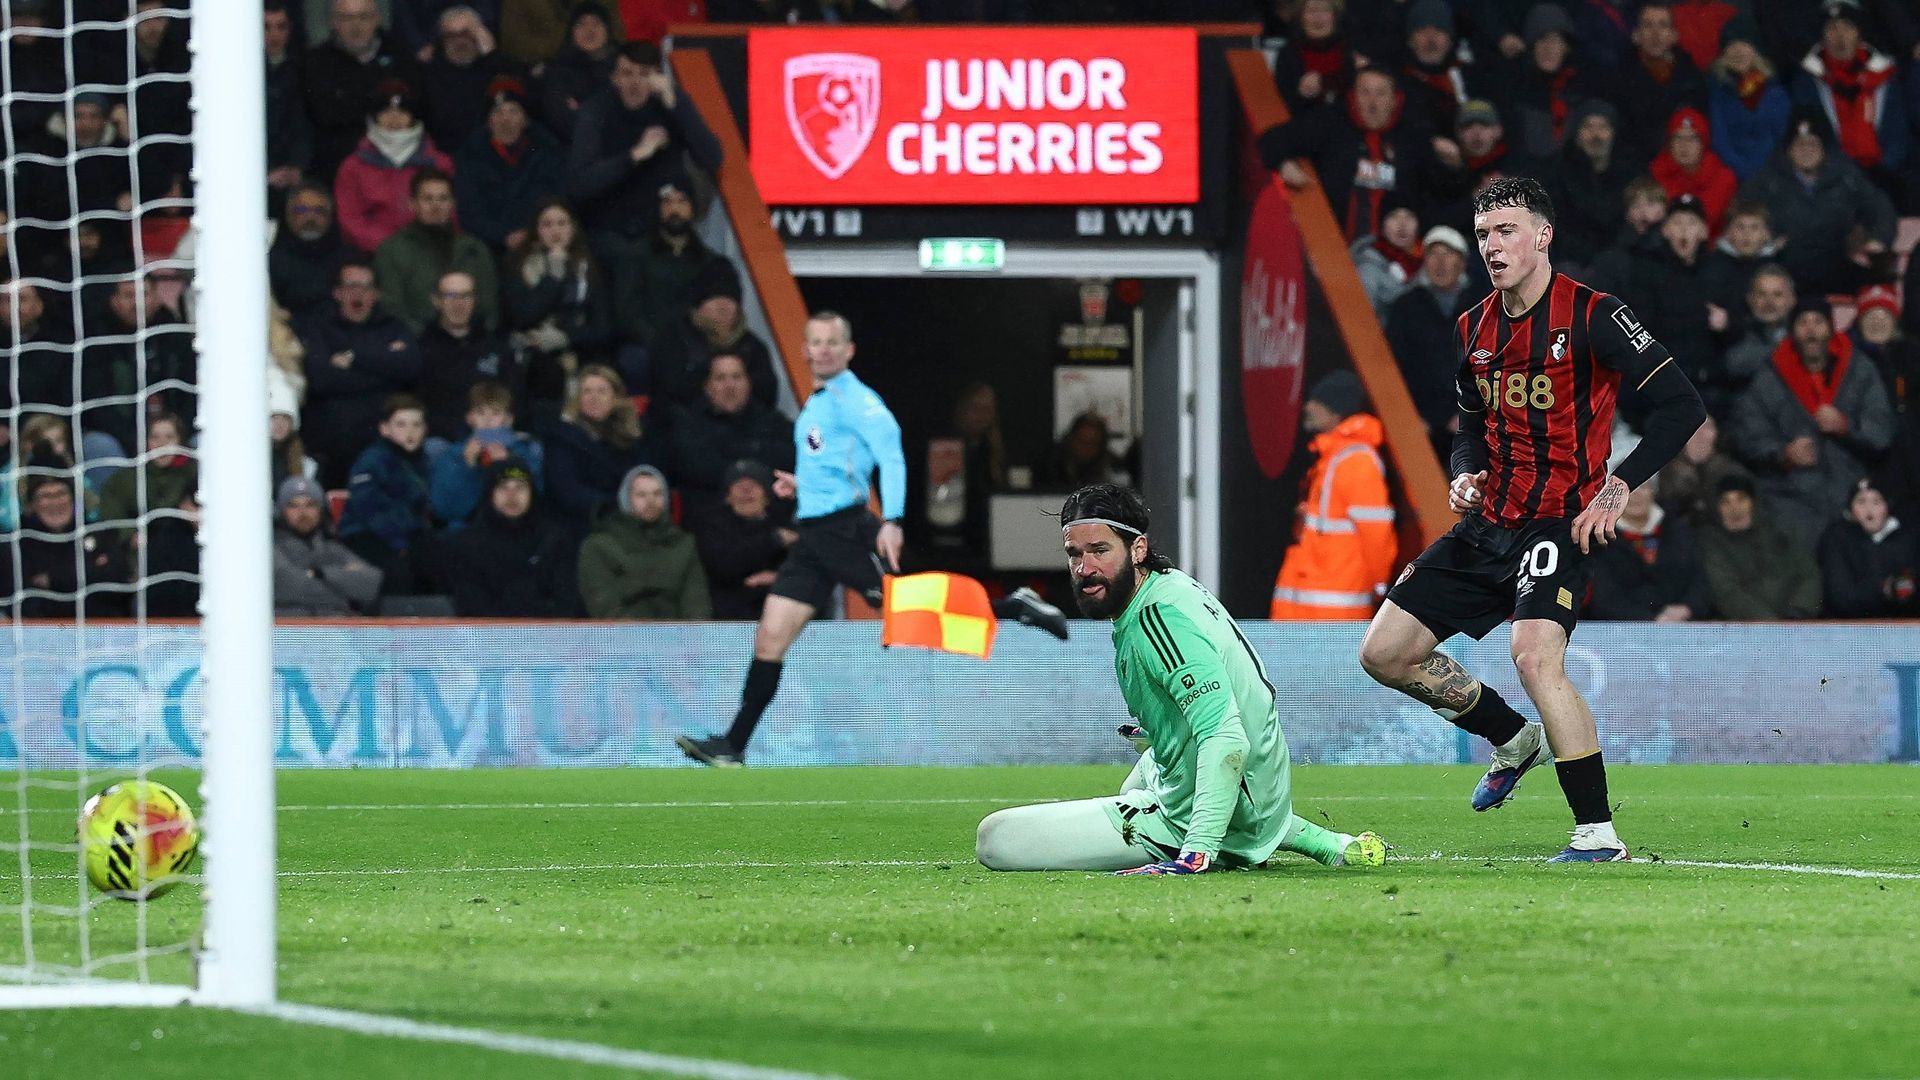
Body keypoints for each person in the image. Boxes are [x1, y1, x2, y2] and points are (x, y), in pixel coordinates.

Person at [1357, 177, 1708, 863]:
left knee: (1533, 654)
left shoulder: (1595, 315)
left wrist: (1620, 485)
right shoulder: (1472, 327)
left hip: (1557, 522)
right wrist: (1463, 469)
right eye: (1485, 233)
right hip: (1488, 522)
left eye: (1507, 230)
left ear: (1543, 236)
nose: (1492, 245)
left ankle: (1598, 833)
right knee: (1383, 653)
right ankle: (1513, 739)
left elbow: (1682, 406)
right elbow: (1469, 423)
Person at [676, 311, 1067, 766]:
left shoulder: (857, 400)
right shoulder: (819, 402)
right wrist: (802, 486)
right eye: (816, 342)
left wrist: (892, 519)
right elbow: (840, 465)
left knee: (904, 608)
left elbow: (891, 455)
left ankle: (1014, 606)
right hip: (813, 537)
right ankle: (733, 745)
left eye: (831, 342)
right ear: (804, 350)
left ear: (848, 351)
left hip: (845, 530)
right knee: (770, 638)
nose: (822, 349)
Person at [974, 483, 1389, 874]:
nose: (1084, 568)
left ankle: (1211, 840)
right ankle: (1322, 842)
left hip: (1227, 797)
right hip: (1259, 789)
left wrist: (1196, 853)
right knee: (1141, 777)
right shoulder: (1168, 587)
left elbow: (1226, 739)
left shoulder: (1160, 619)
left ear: (1137, 549)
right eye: (1074, 554)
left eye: (1099, 550)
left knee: (994, 839)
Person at [1730, 295, 1895, 547]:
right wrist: (1783, 454)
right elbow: (1747, 436)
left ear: (1831, 327)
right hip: (1791, 502)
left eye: (1818, 322)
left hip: (1852, 497)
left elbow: (1882, 431)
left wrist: (1846, 426)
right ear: (1792, 330)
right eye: (1803, 323)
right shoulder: (1769, 377)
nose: (1810, 331)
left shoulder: (1860, 370)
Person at [566, 41, 722, 246]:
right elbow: (580, 183)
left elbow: (712, 158)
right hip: (609, 230)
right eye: (627, 73)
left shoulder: (671, 103)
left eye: (645, 74)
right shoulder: (596, 110)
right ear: (614, 78)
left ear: (658, 78)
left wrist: (676, 104)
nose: (635, 82)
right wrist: (634, 155)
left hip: (661, 231)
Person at [1270, 372, 1397, 620]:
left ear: (1336, 411)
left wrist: (1380, 584)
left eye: (1317, 402)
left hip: (1334, 613)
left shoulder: (1356, 461)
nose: (1308, 407)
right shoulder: (1333, 458)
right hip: (1310, 607)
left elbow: (1376, 534)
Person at [297, 258, 422, 486]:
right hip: (333, 442)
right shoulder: (319, 327)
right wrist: (384, 367)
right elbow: (321, 379)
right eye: (351, 286)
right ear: (337, 293)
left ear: (376, 294)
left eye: (366, 287)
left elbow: (410, 367)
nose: (359, 293)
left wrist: (354, 359)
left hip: (385, 439)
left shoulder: (393, 326)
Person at [502, 199, 614, 422]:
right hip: (533, 355)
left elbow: (604, 327)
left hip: (580, 349)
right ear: (536, 230)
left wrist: (566, 338)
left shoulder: (589, 267)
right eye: (547, 224)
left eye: (562, 224)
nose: (556, 231)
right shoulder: (517, 265)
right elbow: (524, 316)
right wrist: (552, 277)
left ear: (573, 228)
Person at [444, 456, 581, 617]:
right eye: (503, 487)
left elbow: (567, 600)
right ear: (490, 494)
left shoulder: (555, 540)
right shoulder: (467, 545)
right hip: (489, 637)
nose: (512, 495)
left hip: (547, 637)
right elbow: (471, 604)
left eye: (520, 487)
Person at [304, 0, 422, 181]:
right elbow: (324, 115)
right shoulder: (316, 63)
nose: (356, 25)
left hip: (397, 162)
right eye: (347, 18)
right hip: (336, 164)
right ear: (334, 22)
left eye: (363, 17)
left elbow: (415, 108)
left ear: (377, 19)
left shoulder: (401, 56)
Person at [333, 80, 455, 255]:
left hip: (431, 251)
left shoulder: (440, 164)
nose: (394, 118)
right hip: (372, 253)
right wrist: (392, 247)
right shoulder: (353, 166)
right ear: (375, 117)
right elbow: (350, 220)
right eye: (386, 111)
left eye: (402, 111)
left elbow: (452, 214)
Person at [372, 168, 499, 333]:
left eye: (443, 198)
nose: (436, 205)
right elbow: (392, 309)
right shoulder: (392, 250)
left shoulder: (474, 249)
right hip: (418, 348)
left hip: (472, 345)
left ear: (453, 204)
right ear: (412, 204)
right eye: (428, 199)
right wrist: (431, 342)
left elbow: (490, 310)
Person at [667, 351, 795, 513]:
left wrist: (733, 449)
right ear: (707, 387)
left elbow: (791, 455)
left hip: (772, 515)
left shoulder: (771, 420)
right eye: (720, 378)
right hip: (711, 518)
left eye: (737, 377)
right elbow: (697, 468)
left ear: (748, 383)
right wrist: (756, 451)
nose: (730, 385)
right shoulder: (690, 424)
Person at [1387, 225, 1477, 455]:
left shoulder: (1484, 306)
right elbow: (1395, 367)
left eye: (1448, 254)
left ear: (1462, 262)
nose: (1440, 262)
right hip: (1420, 422)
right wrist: (1411, 415)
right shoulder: (1405, 307)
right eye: (1433, 255)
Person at [577, 464, 710, 619]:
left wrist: (690, 638)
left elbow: (696, 603)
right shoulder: (598, 546)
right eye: (641, 495)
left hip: (678, 638)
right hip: (622, 639)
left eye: (657, 494)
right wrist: (641, 638)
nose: (650, 501)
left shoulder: (684, 544)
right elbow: (605, 606)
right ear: (626, 499)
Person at [335, 393, 435, 595]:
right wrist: (400, 544)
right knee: (398, 571)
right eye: (401, 424)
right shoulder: (372, 460)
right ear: (384, 429)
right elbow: (369, 509)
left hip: (408, 534)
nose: (410, 432)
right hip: (364, 534)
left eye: (416, 425)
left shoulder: (425, 461)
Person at [452, 76, 566, 253]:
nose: (505, 120)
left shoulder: (548, 152)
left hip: (541, 240)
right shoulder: (470, 156)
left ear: (525, 119)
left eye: (513, 111)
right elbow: (469, 212)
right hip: (488, 246)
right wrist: (504, 236)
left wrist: (531, 234)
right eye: (498, 112)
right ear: (489, 121)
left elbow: (558, 199)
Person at [414, 270, 524, 443]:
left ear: (474, 300)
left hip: (493, 439)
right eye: (450, 296)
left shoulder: (497, 348)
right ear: (436, 301)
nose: (459, 304)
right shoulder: (420, 349)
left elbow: (515, 399)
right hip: (441, 444)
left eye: (466, 296)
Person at [0, 476, 130, 619]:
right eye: (46, 496)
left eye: (61, 493)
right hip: (41, 634)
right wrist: (90, 575)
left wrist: (54, 579)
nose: (55, 502)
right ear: (32, 505)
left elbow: (117, 582)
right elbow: (26, 603)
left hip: (103, 631)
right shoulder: (15, 546)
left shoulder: (101, 534)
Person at [541, 364, 654, 527]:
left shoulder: (633, 435)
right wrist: (615, 506)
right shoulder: (562, 438)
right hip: (583, 524)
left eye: (602, 391)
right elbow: (568, 491)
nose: (594, 398)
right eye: (587, 391)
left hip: (632, 522)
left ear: (616, 397)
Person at [1697, 472, 1822, 618]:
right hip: (1746, 631)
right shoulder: (1710, 543)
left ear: (1753, 503)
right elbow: (1727, 593)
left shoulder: (1778, 533)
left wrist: (1799, 611)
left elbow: (1809, 574)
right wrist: (1770, 625)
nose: (1735, 509)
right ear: (1717, 509)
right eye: (1725, 502)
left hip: (1795, 625)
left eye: (1741, 499)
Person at [1585, 476, 1712, 620]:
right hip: (1623, 633)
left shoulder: (1677, 528)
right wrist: (1652, 621)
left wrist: (1687, 608)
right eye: (1629, 489)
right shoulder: (1599, 538)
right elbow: (1604, 599)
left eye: (1644, 487)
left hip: (1684, 627)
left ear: (1654, 491)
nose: (1636, 494)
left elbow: (1700, 580)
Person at [428, 380, 545, 528]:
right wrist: (468, 466)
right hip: (467, 532)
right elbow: (444, 509)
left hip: (512, 530)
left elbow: (535, 501)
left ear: (508, 420)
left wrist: (509, 464)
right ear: (470, 418)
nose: (488, 420)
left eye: (496, 413)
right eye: (480, 413)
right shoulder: (454, 455)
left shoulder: (523, 453)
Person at [689, 459, 794, 621]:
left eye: (753, 484)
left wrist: (778, 577)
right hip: (729, 621)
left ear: (767, 495)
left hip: (784, 617)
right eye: (738, 485)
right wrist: (774, 540)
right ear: (727, 497)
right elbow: (724, 566)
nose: (746, 490)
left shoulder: (788, 524)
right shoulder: (712, 528)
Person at [272, 475, 384, 616]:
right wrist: (345, 594)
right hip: (287, 634)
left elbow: (370, 583)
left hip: (339, 634)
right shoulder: (269, 551)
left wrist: (320, 573)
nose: (303, 513)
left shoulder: (333, 548)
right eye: (293, 505)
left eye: (310, 505)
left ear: (321, 509)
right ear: (281, 511)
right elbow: (287, 587)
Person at [1817, 478, 1918, 617]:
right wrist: (1883, 591)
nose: (1869, 510)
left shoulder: (1907, 539)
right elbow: (1841, 598)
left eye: (1876, 501)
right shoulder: (1836, 539)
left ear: (1887, 507)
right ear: (1851, 510)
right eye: (1861, 502)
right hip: (1849, 629)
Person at [269, 181, 350, 321]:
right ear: (288, 215)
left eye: (319, 211)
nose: (311, 217)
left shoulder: (349, 260)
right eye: (301, 210)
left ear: (330, 216)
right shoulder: (271, 262)